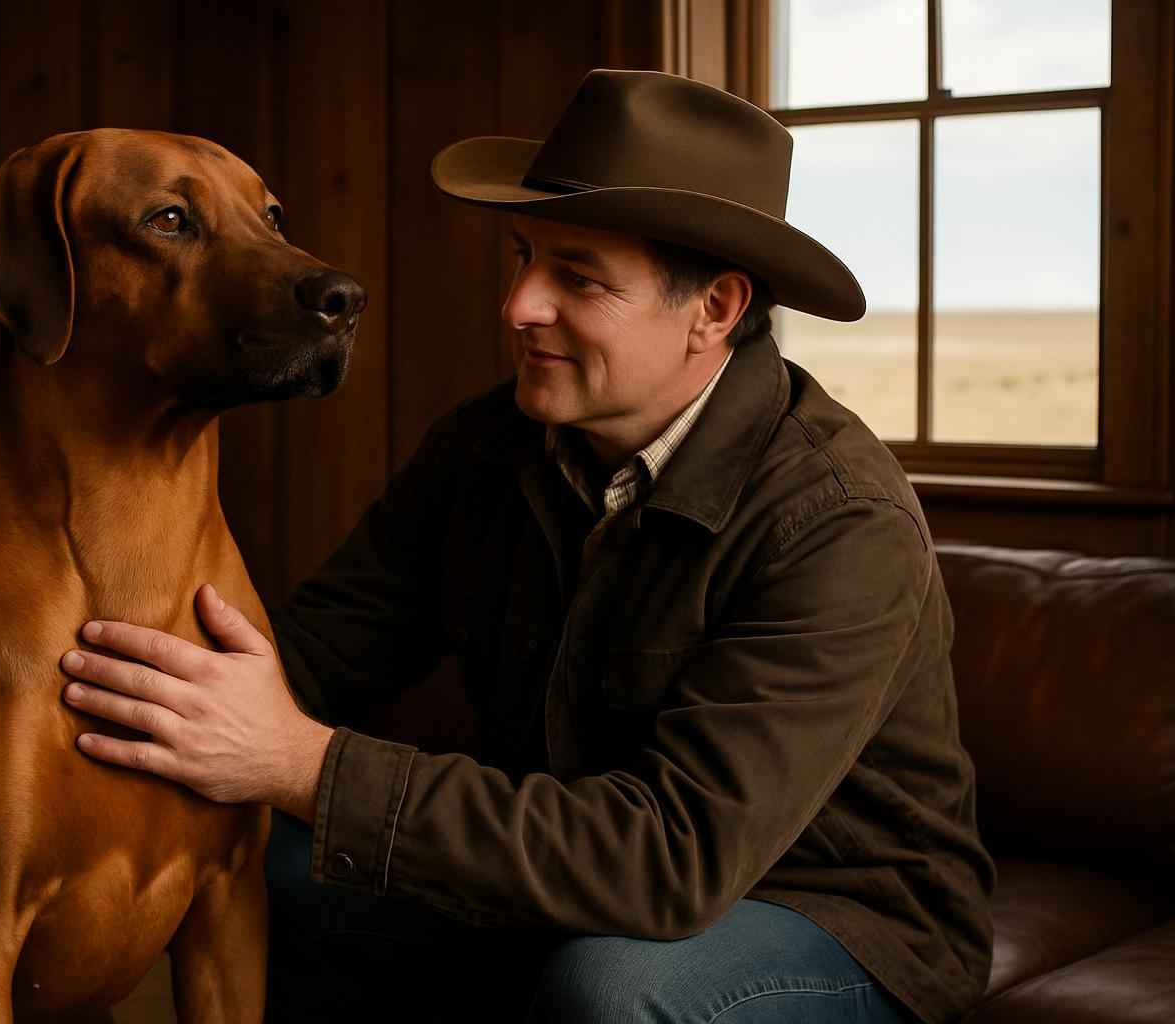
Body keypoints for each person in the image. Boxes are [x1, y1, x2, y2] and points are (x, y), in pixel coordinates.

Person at [58, 69, 995, 1023]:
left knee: (614, 993)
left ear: (713, 310)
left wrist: (301, 762)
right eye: (524, 259)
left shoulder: (841, 523)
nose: (518, 307)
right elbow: (308, 656)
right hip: (573, 884)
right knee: (259, 872)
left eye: (578, 278)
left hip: (830, 919)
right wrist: (82, 737)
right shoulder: (488, 447)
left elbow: (670, 863)